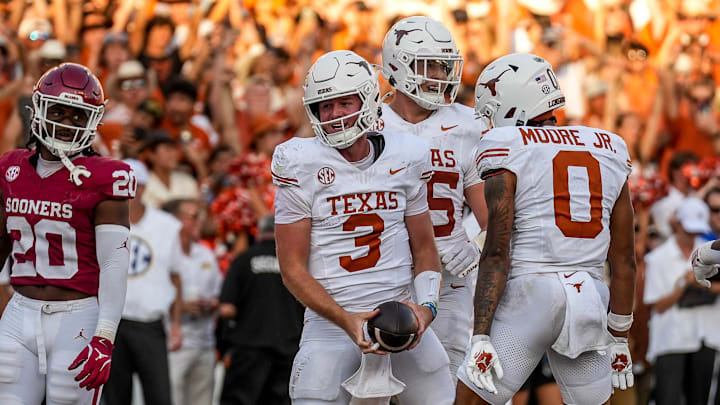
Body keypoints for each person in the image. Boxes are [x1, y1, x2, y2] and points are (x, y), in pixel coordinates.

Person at [272, 50, 454, 405]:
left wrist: (427, 307)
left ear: (369, 100)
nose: (334, 115)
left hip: (401, 318)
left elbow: (425, 249)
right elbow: (291, 268)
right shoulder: (300, 162)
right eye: (325, 106)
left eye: (344, 102)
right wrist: (344, 318)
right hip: (331, 327)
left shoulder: (407, 154)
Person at [456, 53, 636, 405]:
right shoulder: (610, 146)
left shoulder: (504, 146)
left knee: (469, 401)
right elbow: (625, 258)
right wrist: (619, 335)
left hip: (530, 294)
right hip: (589, 295)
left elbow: (497, 250)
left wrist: (480, 334)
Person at [0, 63, 134, 404]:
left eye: (77, 115)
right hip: (19, 312)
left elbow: (114, 263)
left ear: (92, 121)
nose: (66, 122)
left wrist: (104, 336)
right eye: (58, 110)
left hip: (78, 316)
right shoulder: (10, 168)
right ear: (39, 109)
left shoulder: (105, 176)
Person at [380, 15, 488, 380]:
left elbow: (494, 212)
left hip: (447, 279)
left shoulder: (469, 124)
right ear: (397, 66)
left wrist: (475, 244)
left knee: (454, 382)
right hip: (380, 276)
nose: (441, 75)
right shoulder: (370, 123)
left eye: (444, 66)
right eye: (430, 66)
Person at [103, 158, 183, 405]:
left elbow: (175, 276)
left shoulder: (168, 226)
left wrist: (176, 324)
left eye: (133, 186)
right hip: (112, 324)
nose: (127, 192)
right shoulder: (102, 221)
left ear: (144, 188)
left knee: (159, 395)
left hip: (150, 323)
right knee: (115, 396)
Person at [218, 215, 304, 405]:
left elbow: (227, 309)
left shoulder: (243, 260)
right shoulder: (295, 264)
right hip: (288, 346)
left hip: (249, 348)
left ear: (258, 232)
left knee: (239, 400)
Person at [645, 197, 718, 405]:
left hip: (705, 336)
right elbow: (657, 306)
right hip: (671, 339)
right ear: (677, 224)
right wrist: (684, 285)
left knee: (700, 400)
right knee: (668, 399)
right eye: (688, 230)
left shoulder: (711, 252)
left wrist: (700, 284)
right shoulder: (658, 258)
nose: (692, 236)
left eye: (696, 231)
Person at [163, 199, 222, 405]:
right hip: (173, 344)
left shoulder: (205, 253)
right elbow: (147, 298)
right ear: (175, 220)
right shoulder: (162, 253)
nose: (199, 222)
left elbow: (218, 293)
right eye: (193, 217)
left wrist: (213, 304)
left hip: (205, 342)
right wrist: (179, 308)